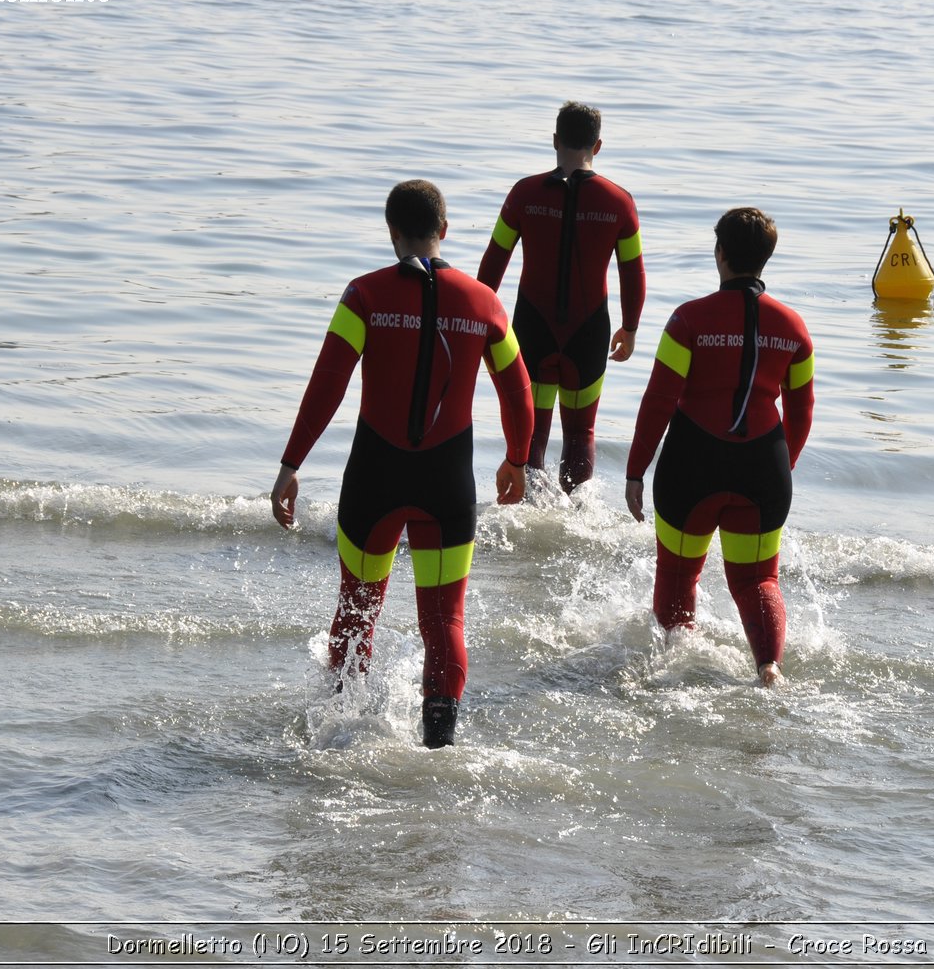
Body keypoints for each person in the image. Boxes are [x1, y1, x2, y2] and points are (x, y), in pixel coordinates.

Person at [270, 180, 534, 748]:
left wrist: (292, 464)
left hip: (374, 478)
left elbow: (328, 385)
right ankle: (439, 744)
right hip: (447, 484)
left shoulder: (363, 296)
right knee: (444, 622)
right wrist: (516, 459)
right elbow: (519, 395)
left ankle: (335, 738)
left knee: (357, 611)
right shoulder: (485, 303)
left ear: (391, 232)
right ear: (445, 229)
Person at [623, 207, 814, 687]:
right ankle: (769, 667)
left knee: (678, 573)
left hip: (693, 464)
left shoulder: (688, 320)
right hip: (763, 469)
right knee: (757, 580)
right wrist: (780, 468)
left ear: (720, 254)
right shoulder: (794, 329)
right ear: (766, 258)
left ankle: (674, 671)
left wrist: (635, 471)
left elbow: (658, 402)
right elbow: (802, 413)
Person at [477, 101, 646, 493]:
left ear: (554, 140)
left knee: (530, 434)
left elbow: (493, 264)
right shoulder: (620, 202)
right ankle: (577, 517)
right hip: (589, 333)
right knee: (580, 433)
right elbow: (632, 272)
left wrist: (481, 323)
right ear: (598, 145)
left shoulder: (524, 194)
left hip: (531, 329)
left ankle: (534, 514)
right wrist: (631, 327)